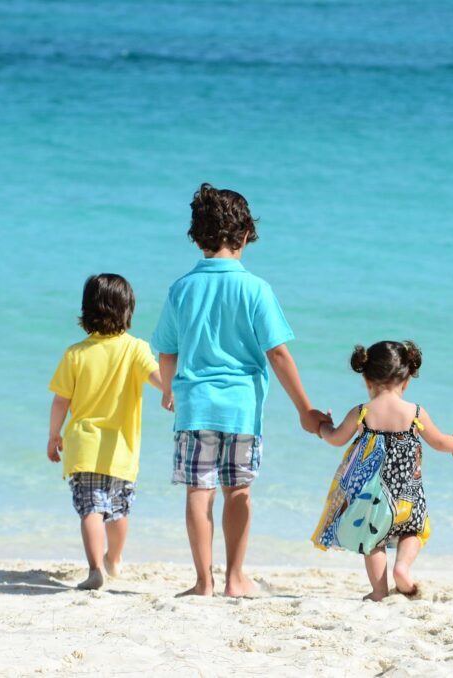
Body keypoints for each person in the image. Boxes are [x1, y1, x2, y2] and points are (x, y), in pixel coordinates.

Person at [151, 183, 330, 598]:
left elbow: (167, 350)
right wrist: (304, 409)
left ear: (197, 236)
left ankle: (203, 582)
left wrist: (169, 389)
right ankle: (235, 578)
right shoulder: (255, 289)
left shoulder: (181, 288)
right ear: (246, 235)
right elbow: (278, 355)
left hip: (194, 407)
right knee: (239, 491)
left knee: (199, 491)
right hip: (242, 409)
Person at [313, 341, 453, 601]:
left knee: (372, 539)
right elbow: (440, 442)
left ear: (366, 379)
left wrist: (322, 427)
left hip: (370, 491)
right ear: (406, 381)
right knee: (412, 529)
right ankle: (402, 568)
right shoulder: (415, 412)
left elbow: (336, 438)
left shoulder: (362, 412)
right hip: (406, 490)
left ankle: (379, 591)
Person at [47, 273, 165, 590]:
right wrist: (172, 393)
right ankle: (114, 558)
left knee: (91, 510)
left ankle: (95, 569)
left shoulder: (75, 353)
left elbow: (60, 401)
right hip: (122, 451)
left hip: (84, 448)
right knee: (118, 511)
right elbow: (157, 378)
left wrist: (54, 435)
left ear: (86, 311)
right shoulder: (136, 349)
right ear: (128, 310)